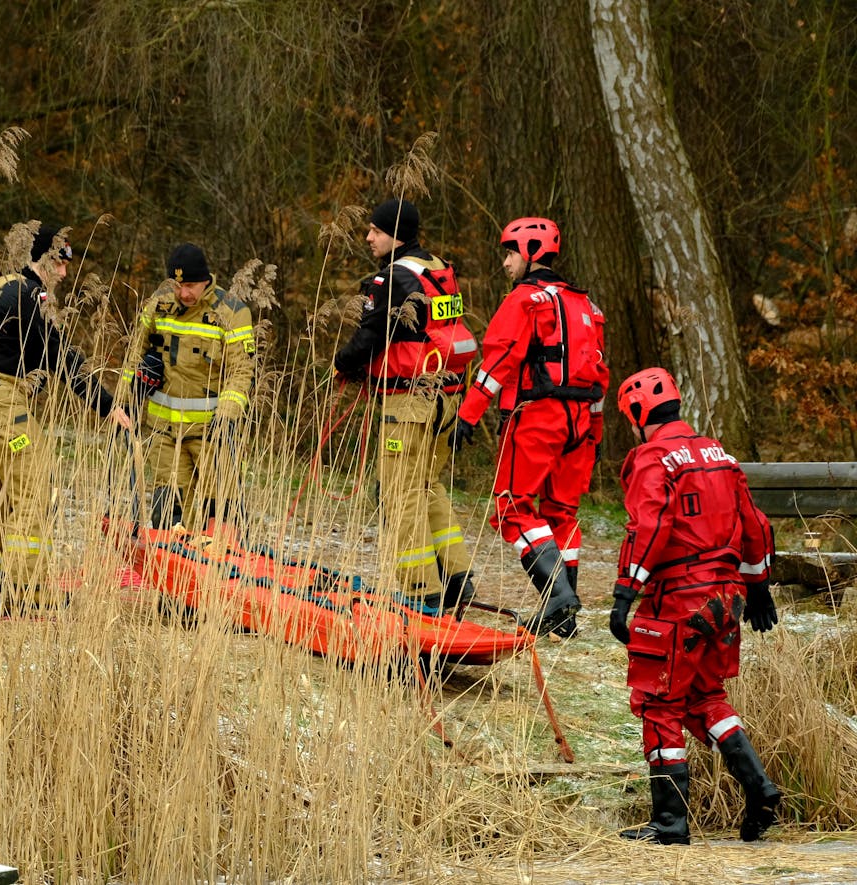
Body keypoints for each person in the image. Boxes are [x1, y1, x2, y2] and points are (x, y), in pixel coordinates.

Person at [611, 367, 781, 845]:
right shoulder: (720, 455)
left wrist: (625, 593)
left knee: (658, 704)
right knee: (707, 699)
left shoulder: (653, 458)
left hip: (677, 599)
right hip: (727, 599)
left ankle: (670, 823)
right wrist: (759, 585)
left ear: (639, 411)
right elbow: (755, 524)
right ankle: (759, 786)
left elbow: (649, 526)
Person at [0, 224, 131, 614]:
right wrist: (107, 406)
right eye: (60, 263)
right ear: (42, 259)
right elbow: (62, 357)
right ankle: (27, 590)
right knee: (34, 483)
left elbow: (29, 353)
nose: (65, 272)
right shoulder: (35, 295)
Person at [448, 217, 608, 636]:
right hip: (579, 422)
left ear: (531, 252)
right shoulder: (585, 305)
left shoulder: (526, 300)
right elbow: (599, 374)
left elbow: (499, 361)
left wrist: (468, 414)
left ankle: (557, 597)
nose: (505, 263)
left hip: (537, 417)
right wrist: (595, 431)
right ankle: (565, 618)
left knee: (511, 507)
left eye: (510, 253)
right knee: (561, 513)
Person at [333, 199, 479, 615]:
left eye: (376, 231)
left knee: (398, 494)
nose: (368, 237)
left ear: (396, 234)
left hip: (409, 402)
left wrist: (342, 364)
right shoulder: (438, 268)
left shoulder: (393, 277)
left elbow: (371, 334)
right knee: (426, 486)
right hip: (447, 398)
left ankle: (421, 591)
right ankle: (457, 577)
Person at [116, 243, 255, 536]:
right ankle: (167, 573)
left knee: (216, 506)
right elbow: (134, 353)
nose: (183, 294)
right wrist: (124, 400)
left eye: (190, 286)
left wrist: (227, 416)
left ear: (206, 280)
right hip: (162, 429)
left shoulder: (231, 312)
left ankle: (215, 574)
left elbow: (242, 370)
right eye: (178, 286)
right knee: (168, 508)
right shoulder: (159, 303)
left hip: (210, 433)